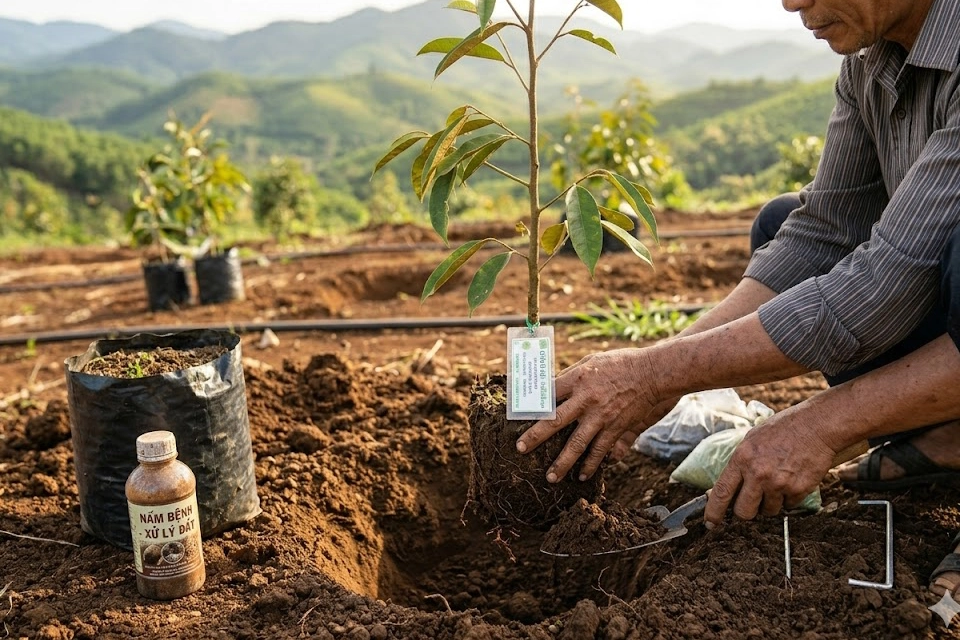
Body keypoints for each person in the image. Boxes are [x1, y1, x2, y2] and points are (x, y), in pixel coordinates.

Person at [515, 0, 960, 597]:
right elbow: (823, 231)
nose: (791, 3)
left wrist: (822, 426)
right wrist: (661, 373)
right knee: (782, 224)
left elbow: (881, 289)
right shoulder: (870, 61)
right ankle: (950, 435)